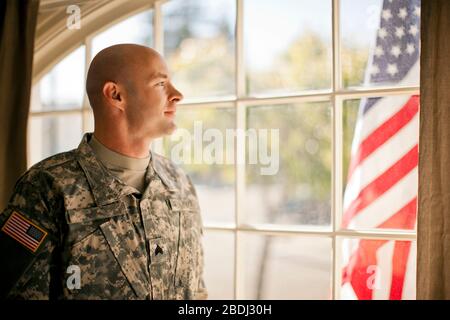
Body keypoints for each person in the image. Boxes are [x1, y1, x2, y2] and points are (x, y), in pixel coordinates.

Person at [0, 44, 207, 300]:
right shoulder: (46, 187)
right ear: (115, 95)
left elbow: (197, 293)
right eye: (160, 84)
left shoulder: (180, 184)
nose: (177, 95)